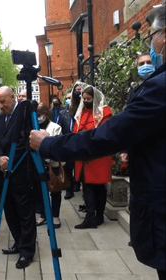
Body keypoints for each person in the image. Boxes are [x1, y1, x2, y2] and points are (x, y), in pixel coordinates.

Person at [30, 5, 164, 275]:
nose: (152, 46)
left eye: (153, 36)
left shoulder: (159, 88)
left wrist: (48, 144)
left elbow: (108, 134)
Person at [0, 86, 37, 269]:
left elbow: (27, 142)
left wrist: (9, 161)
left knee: (25, 213)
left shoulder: (23, 114)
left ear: (12, 97)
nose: (1, 106)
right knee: (9, 211)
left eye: (4, 101)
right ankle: (18, 242)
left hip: (20, 171)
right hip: (3, 174)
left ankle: (27, 251)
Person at [72, 85, 113, 229]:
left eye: (88, 99)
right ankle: (91, 216)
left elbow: (104, 135)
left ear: (95, 99)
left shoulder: (105, 113)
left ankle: (98, 216)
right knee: (87, 186)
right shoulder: (81, 113)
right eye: (84, 99)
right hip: (84, 157)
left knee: (99, 187)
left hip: (98, 157)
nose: (85, 101)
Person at [34, 103, 63, 228]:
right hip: (38, 163)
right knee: (40, 191)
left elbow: (57, 146)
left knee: (55, 190)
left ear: (44, 116)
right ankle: (43, 215)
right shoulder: (33, 127)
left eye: (39, 115)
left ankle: (55, 216)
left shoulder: (55, 127)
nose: (37, 118)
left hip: (53, 164)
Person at [59, 83, 84, 199]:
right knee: (68, 167)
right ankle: (69, 189)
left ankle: (77, 184)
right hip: (68, 142)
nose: (77, 92)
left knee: (80, 167)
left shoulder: (83, 109)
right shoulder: (64, 113)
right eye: (76, 90)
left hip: (80, 142)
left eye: (80, 90)